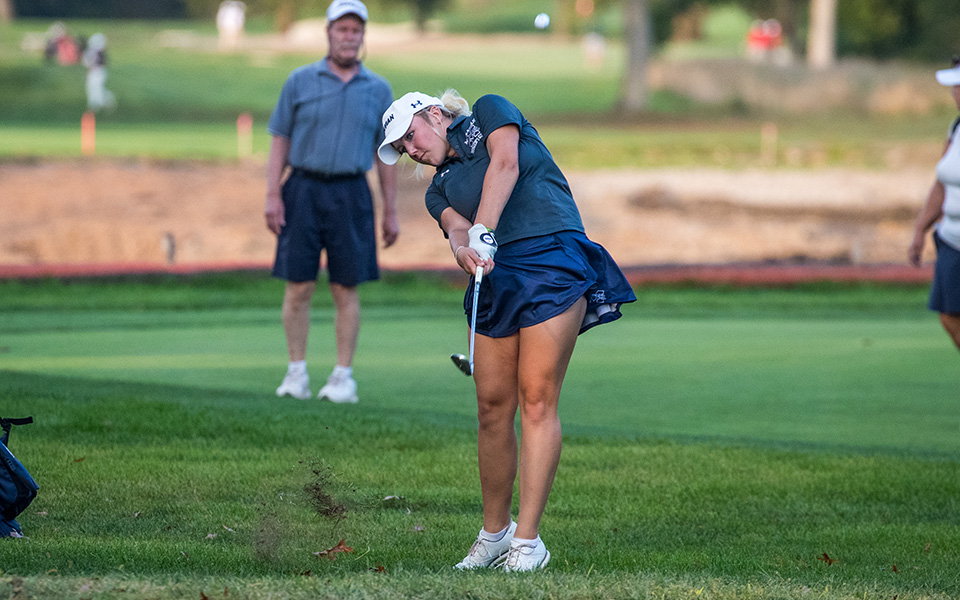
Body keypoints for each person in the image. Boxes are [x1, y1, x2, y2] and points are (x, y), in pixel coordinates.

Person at [377, 90, 636, 571]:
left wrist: (484, 228)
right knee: (492, 407)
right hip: (496, 276)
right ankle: (494, 535)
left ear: (433, 114)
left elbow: (506, 165)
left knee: (536, 398)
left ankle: (527, 543)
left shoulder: (489, 111)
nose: (410, 150)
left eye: (410, 136)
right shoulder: (439, 189)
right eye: (402, 148)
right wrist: (464, 250)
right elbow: (456, 230)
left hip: (551, 258)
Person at [265, 0, 399, 403]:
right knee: (299, 286)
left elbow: (385, 153)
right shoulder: (300, 81)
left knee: (346, 287)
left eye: (355, 30)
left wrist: (390, 209)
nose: (349, 37)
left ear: (362, 37)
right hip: (302, 188)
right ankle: (296, 373)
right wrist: (273, 193)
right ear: (328, 33)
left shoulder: (378, 89)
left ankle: (342, 377)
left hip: (352, 193)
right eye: (342, 29)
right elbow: (280, 138)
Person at [909, 57, 960, 353]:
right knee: (950, 317)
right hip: (951, 240)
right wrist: (920, 230)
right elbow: (941, 183)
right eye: (954, 86)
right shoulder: (955, 129)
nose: (955, 92)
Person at [82, 33, 115, 112]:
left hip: (97, 72)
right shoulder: (95, 51)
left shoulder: (98, 52)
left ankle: (98, 105)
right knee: (93, 89)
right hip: (94, 73)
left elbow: (89, 63)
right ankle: (96, 105)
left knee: (97, 89)